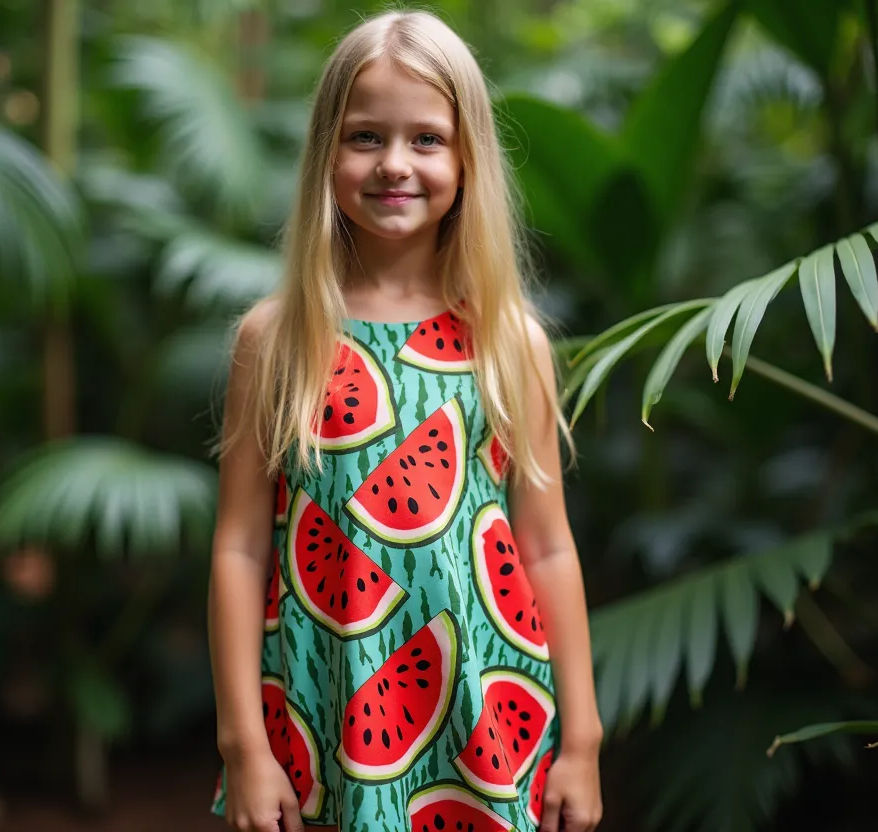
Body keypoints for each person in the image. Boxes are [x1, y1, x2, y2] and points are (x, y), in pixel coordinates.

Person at [208, 10, 603, 832]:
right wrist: (244, 745)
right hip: (321, 719)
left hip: (485, 717)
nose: (395, 164)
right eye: (365, 138)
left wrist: (583, 742)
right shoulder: (273, 338)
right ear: (325, 154)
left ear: (468, 159)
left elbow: (547, 543)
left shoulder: (508, 339)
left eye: (427, 139)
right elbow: (241, 546)